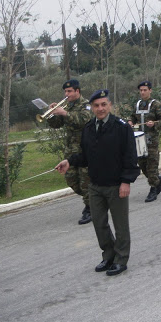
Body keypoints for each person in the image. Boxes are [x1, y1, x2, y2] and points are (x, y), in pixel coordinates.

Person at [55, 89, 140, 276]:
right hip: (95, 185)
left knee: (120, 225)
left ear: (110, 105)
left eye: (103, 104)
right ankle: (108, 255)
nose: (100, 108)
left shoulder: (121, 128)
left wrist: (126, 181)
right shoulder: (88, 128)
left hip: (116, 185)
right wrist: (69, 161)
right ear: (92, 107)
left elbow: (130, 157)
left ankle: (121, 259)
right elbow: (86, 156)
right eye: (96, 105)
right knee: (99, 224)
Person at [47, 79, 93, 224]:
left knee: (86, 181)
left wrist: (65, 113)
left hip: (84, 151)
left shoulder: (86, 105)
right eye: (65, 92)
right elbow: (56, 125)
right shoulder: (68, 106)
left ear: (77, 91)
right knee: (71, 179)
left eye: (69, 91)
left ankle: (90, 208)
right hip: (70, 151)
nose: (66, 94)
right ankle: (95, 200)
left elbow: (84, 121)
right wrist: (51, 114)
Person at [128, 80, 161, 202]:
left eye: (145, 90)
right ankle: (157, 180)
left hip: (152, 141)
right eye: (141, 90)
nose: (143, 92)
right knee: (143, 165)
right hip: (140, 141)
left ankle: (153, 189)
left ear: (150, 90)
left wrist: (154, 124)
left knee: (151, 166)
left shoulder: (156, 105)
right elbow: (133, 117)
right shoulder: (138, 104)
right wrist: (130, 122)